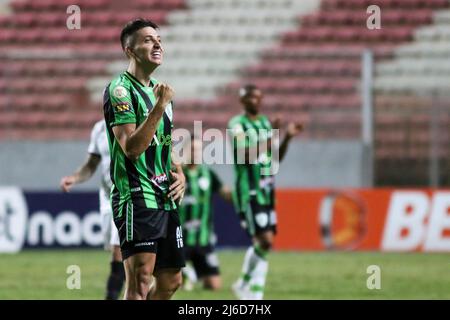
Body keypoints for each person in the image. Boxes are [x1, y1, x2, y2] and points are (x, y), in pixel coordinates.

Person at [102, 18, 186, 300]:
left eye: (159, 39)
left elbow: (163, 143)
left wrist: (180, 172)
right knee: (140, 281)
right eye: (149, 39)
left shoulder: (161, 92)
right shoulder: (120, 90)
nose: (157, 43)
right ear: (130, 50)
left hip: (165, 197)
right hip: (137, 196)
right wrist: (159, 107)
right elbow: (132, 148)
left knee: (172, 280)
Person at [228, 84, 303, 300]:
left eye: (259, 97)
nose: (256, 101)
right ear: (243, 101)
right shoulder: (237, 125)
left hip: (267, 191)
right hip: (249, 192)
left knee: (264, 243)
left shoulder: (263, 123)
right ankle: (252, 293)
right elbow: (245, 154)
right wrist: (270, 137)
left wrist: (287, 137)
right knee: (265, 241)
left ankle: (244, 286)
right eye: (251, 98)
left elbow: (275, 159)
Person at [60, 120, 124, 300]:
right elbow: (91, 164)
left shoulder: (133, 121)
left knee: (119, 248)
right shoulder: (100, 128)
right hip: (107, 196)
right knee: (116, 250)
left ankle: (112, 296)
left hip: (128, 194)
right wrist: (74, 178)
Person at [179, 135, 232, 291]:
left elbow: (226, 195)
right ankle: (185, 273)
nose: (196, 152)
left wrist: (243, 195)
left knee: (214, 285)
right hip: (180, 239)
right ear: (185, 150)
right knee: (172, 283)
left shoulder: (209, 175)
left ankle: (190, 273)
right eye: (193, 149)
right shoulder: (177, 173)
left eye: (199, 149)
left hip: (203, 240)